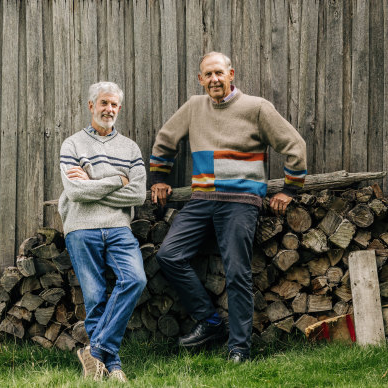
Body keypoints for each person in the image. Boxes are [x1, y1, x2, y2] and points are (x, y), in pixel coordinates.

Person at [149, 52, 307, 362]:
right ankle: (209, 322)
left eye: (219, 73)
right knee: (169, 255)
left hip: (240, 202)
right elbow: (166, 139)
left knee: (237, 273)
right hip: (202, 199)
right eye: (207, 75)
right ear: (200, 79)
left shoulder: (256, 108)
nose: (214, 80)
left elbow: (294, 145)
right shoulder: (194, 107)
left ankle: (239, 348)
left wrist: (290, 189)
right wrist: (159, 178)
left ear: (231, 74)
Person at [58, 81, 147, 382]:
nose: (109, 109)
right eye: (104, 103)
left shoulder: (130, 148)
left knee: (135, 278)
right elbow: (74, 191)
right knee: (95, 297)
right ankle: (114, 365)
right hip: (81, 227)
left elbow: (138, 195)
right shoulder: (72, 144)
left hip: (119, 227)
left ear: (119, 109)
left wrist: (92, 180)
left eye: (114, 105)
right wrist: (116, 180)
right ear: (91, 106)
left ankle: (94, 352)